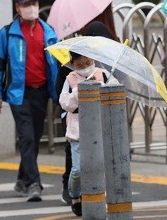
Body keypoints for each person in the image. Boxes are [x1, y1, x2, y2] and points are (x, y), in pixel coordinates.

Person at [0, 0, 59, 202]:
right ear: (18, 8)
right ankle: (33, 184)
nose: (32, 7)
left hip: (42, 93)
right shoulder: (7, 32)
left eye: (34, 3)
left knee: (34, 138)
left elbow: (56, 63)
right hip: (18, 94)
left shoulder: (49, 32)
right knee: (27, 138)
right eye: (27, 4)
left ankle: (22, 179)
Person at [55, 20, 118, 206]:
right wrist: (77, 96)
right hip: (75, 122)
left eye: (88, 62)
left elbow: (115, 91)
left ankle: (94, 194)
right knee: (76, 163)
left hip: (98, 125)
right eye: (81, 64)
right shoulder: (68, 71)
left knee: (98, 164)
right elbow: (62, 96)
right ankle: (72, 191)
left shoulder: (103, 69)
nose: (86, 66)